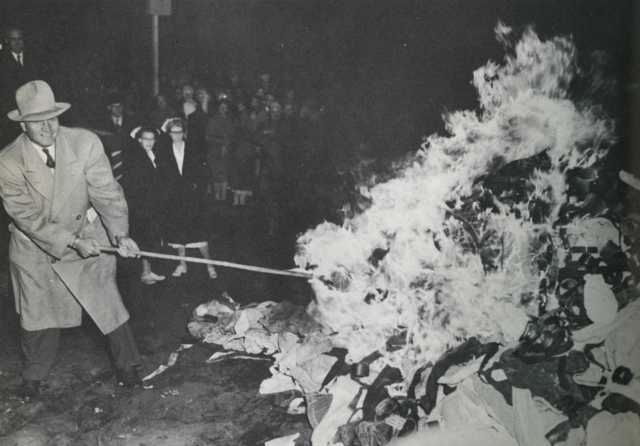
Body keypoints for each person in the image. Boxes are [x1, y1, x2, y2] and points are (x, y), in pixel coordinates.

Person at [0, 80, 143, 398]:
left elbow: (107, 192)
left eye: (52, 117)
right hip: (37, 245)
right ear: (24, 124)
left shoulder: (85, 142)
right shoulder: (8, 161)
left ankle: (128, 366)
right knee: (37, 312)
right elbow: (27, 218)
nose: (48, 127)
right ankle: (34, 375)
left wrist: (121, 235)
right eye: (38, 122)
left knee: (106, 301)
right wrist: (69, 241)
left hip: (87, 233)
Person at [157, 118, 217, 279]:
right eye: (173, 132)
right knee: (178, 233)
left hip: (193, 196)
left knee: (199, 232)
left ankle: (210, 265)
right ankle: (182, 264)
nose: (176, 135)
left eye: (179, 131)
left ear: (184, 132)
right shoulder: (163, 150)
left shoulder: (193, 148)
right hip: (174, 197)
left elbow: (203, 172)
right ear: (169, 133)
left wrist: (198, 189)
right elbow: (162, 174)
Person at [121, 126, 166, 285]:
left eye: (152, 139)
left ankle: (147, 271)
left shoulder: (152, 155)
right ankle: (144, 273)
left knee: (148, 237)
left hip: (151, 204)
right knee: (144, 237)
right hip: (141, 205)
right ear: (139, 140)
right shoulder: (135, 157)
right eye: (145, 139)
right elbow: (134, 183)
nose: (149, 142)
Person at [0, 27, 45, 146]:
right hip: (12, 111)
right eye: (13, 39)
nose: (17, 43)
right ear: (7, 41)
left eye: (20, 39)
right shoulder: (2, 60)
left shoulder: (36, 58)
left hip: (34, 108)